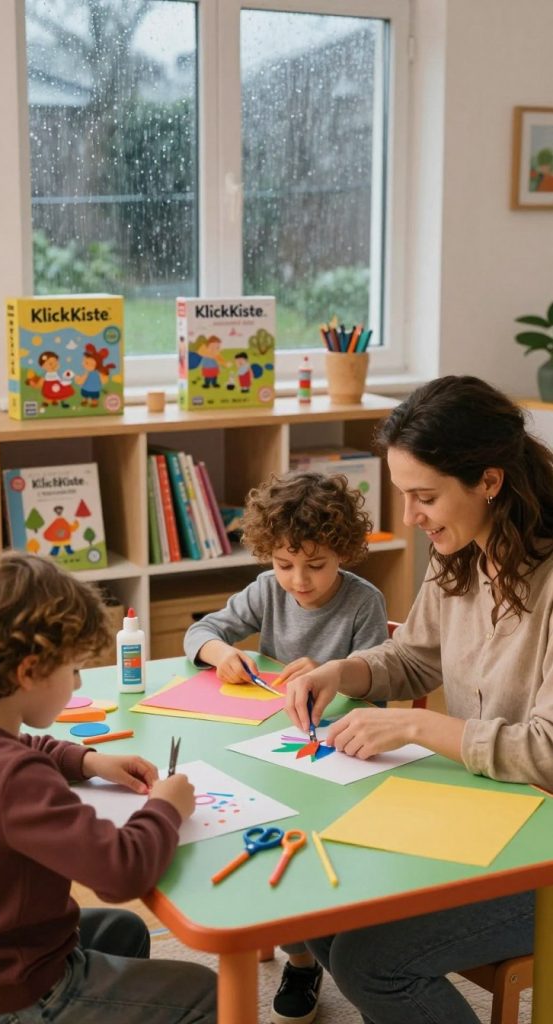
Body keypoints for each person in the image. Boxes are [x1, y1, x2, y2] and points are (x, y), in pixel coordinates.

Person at [285, 375, 553, 1024]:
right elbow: (414, 657)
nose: (409, 517)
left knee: (372, 961)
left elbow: (546, 752)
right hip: (483, 814)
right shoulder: (460, 550)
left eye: (423, 497)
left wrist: (420, 728)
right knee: (319, 906)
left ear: (488, 482)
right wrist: (340, 672)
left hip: (540, 847)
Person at [0, 550, 216, 1024]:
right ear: (29, 672)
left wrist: (86, 758)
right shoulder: (15, 778)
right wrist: (165, 808)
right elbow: (120, 873)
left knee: (123, 932)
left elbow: (27, 745)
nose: (79, 680)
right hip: (10, 994)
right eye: (74, 668)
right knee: (211, 995)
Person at [184, 470, 387, 1024]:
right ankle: (301, 954)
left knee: (320, 852)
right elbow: (201, 632)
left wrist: (334, 674)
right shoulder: (267, 590)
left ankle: (319, 944)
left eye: (316, 565)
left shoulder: (363, 602)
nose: (299, 580)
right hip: (270, 744)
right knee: (258, 839)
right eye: (284, 564)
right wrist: (220, 656)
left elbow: (382, 686)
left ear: (343, 552)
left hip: (338, 750)